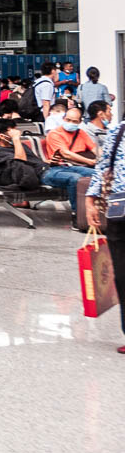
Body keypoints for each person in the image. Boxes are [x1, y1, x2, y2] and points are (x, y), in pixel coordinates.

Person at [84, 107, 125, 353]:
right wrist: (91, 199)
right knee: (122, 272)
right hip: (121, 209)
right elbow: (103, 167)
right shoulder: (117, 132)